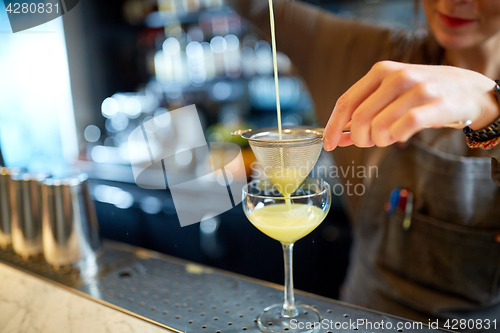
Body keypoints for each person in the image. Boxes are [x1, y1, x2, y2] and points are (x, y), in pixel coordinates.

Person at [229, 0, 500, 328]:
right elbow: (256, 7)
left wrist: (490, 107)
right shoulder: (363, 52)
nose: (453, 1)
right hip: (359, 319)